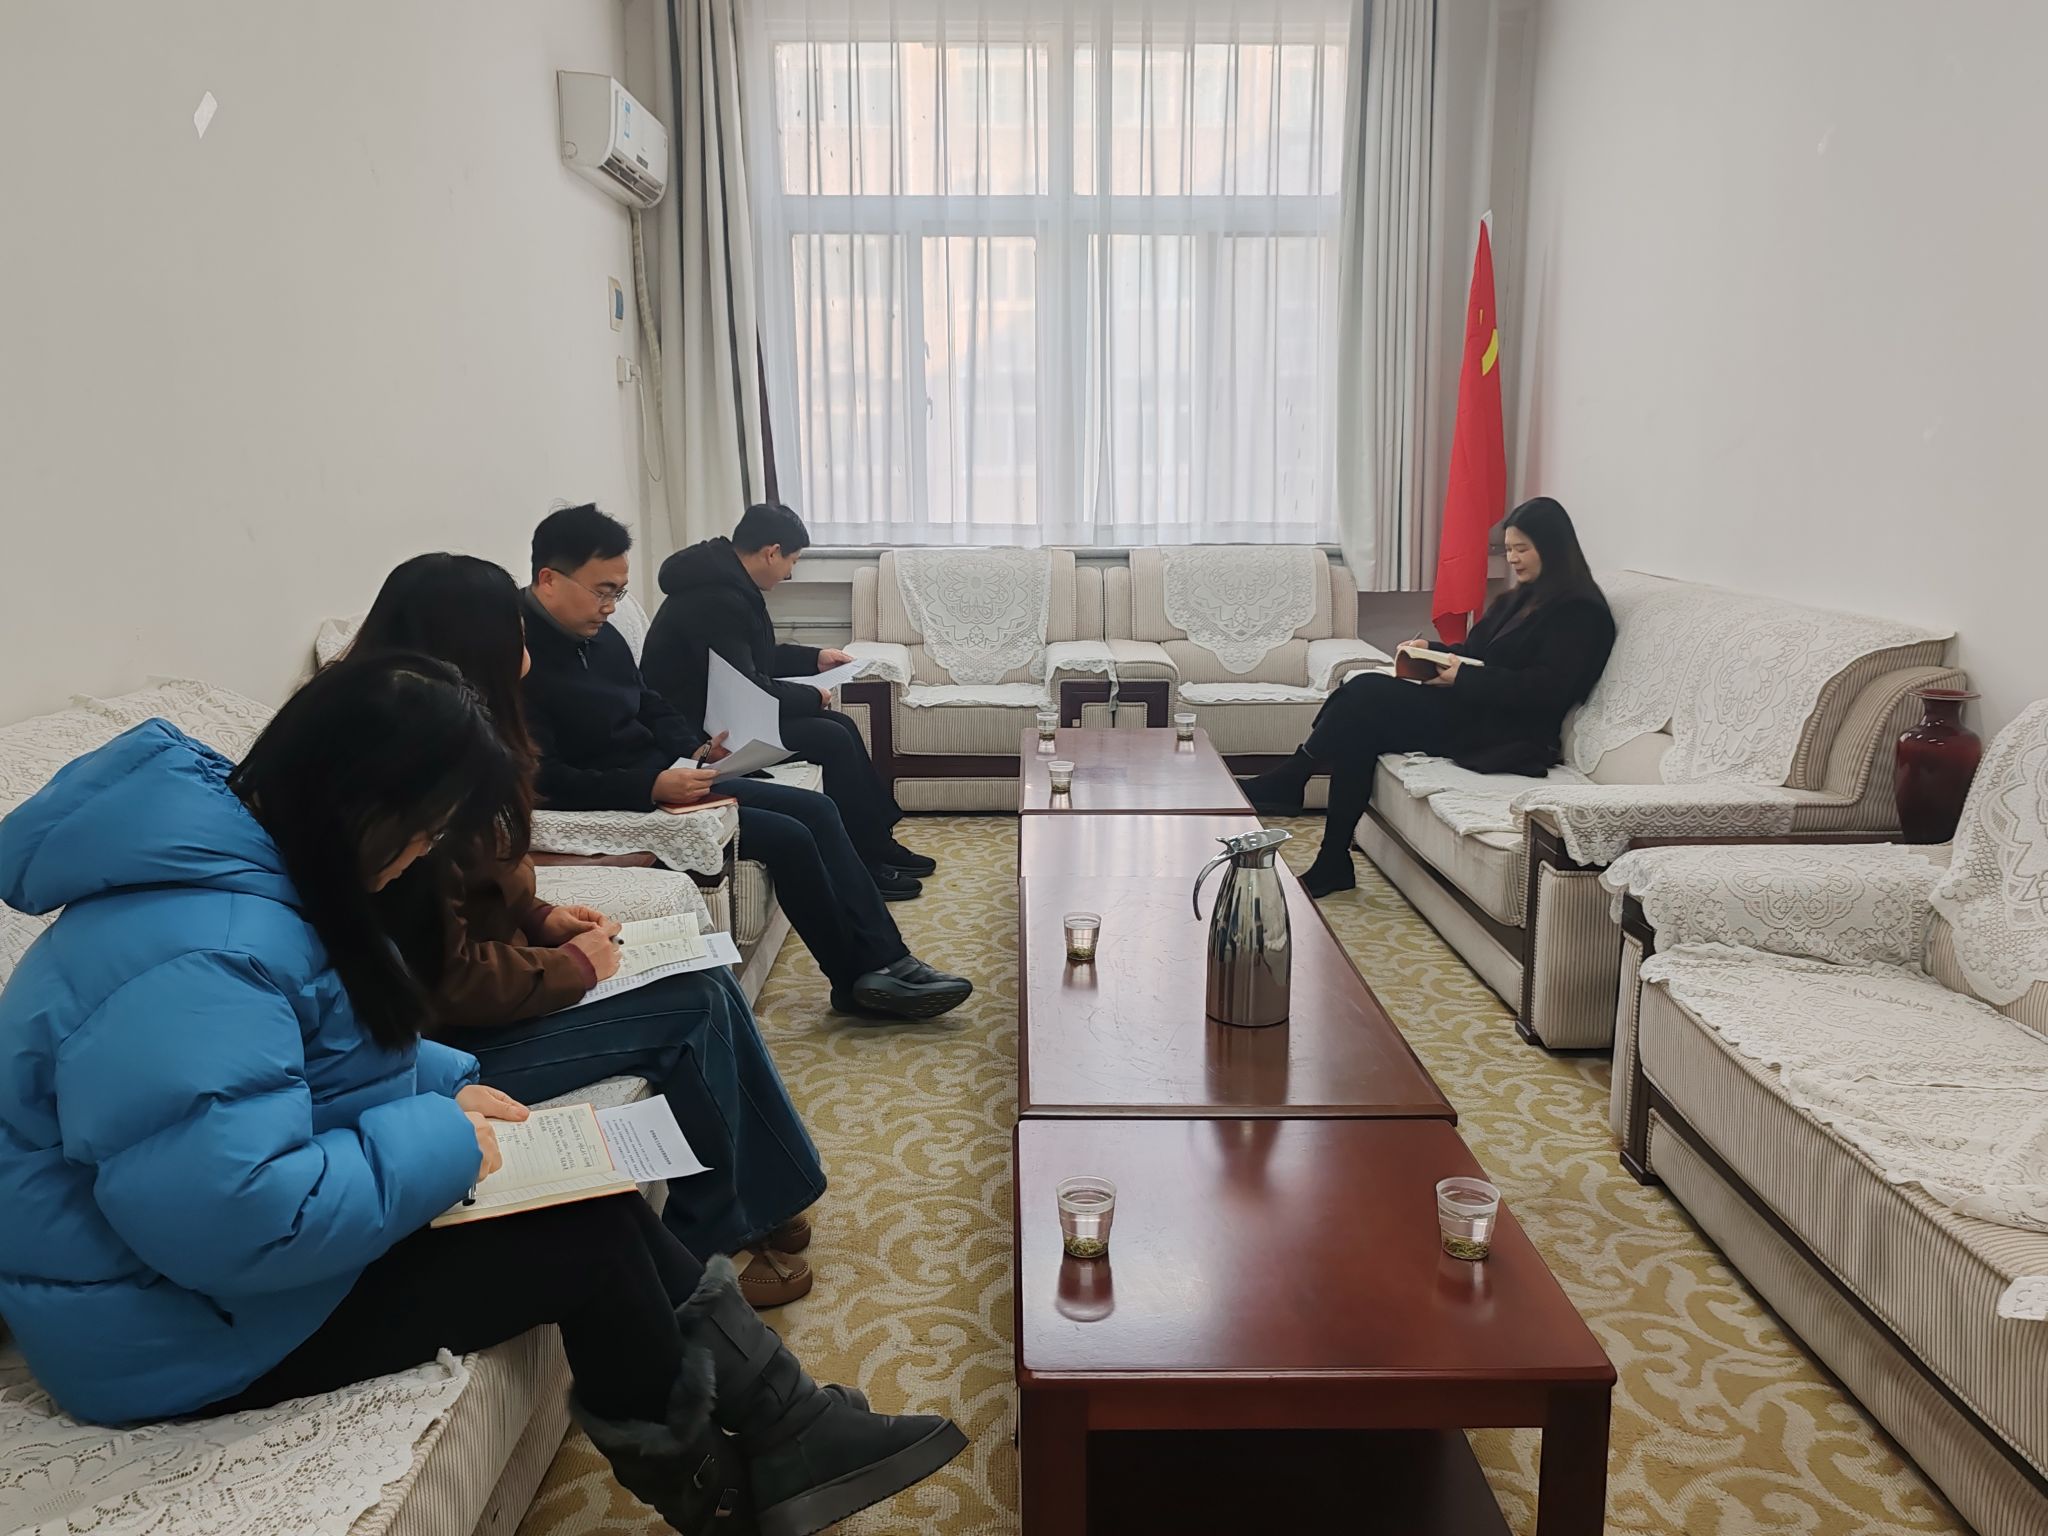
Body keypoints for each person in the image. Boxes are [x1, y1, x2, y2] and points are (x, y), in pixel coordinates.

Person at [0, 654, 966, 1533]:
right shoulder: (198, 952)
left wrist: (447, 1086)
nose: (423, 857)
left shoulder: (250, 875)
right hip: (167, 1330)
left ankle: (784, 1426)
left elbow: (313, 1054)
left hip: (200, 1281)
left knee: (589, 1194)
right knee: (582, 1242)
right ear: (366, 802)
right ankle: (724, 1489)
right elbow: (243, 1221)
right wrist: (440, 1137)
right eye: (426, 832)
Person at [352, 553, 825, 1308]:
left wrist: (544, 918)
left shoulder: (457, 740)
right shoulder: (403, 784)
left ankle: (763, 1202)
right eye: (515, 632)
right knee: (693, 1008)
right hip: (445, 1045)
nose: (528, 647)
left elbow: (485, 882)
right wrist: (572, 965)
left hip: (484, 997)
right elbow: (443, 979)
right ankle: (705, 1246)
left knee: (703, 976)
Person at [520, 504, 974, 1022]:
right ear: (549, 579)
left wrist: (695, 751)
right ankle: (856, 979)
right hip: (627, 797)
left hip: (670, 775)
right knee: (790, 836)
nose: (609, 608)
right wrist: (649, 786)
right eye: (603, 592)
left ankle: (888, 961)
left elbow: (649, 701)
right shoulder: (519, 658)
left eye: (618, 594)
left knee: (817, 811)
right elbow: (544, 777)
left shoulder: (596, 635)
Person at [1243, 498, 1616, 897]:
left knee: (1365, 692)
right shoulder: (1520, 599)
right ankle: (1332, 858)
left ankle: (1296, 777)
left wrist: (1465, 678)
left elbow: (1548, 690)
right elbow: (1476, 652)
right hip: (1475, 709)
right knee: (1359, 724)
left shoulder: (1581, 612)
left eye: (1521, 549)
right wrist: (1430, 651)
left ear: (1553, 547)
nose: (1512, 559)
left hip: (1509, 731)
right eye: (1508, 549)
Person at [642, 502, 932, 897]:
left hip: (723, 711)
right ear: (771, 552)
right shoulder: (715, 599)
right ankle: (866, 861)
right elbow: (749, 685)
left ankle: (875, 844)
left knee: (839, 726)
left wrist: (814, 659)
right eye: (792, 561)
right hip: (702, 731)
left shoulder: (728, 584)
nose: (790, 572)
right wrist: (813, 696)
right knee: (831, 736)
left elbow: (751, 660)